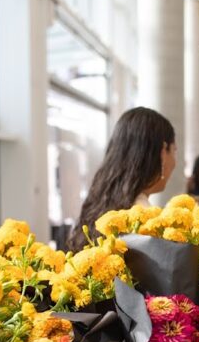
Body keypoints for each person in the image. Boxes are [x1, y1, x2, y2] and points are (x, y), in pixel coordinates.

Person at [67, 107, 177, 251]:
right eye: (174, 151)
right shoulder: (145, 224)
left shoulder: (99, 207)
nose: (175, 161)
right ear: (163, 153)